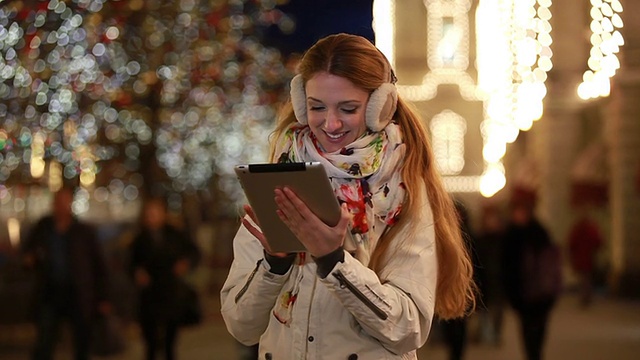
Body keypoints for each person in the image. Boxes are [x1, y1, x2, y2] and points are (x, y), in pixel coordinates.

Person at [220, 33, 476, 359]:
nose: (331, 123)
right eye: (316, 107)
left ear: (379, 107)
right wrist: (274, 264)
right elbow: (241, 327)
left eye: (348, 108)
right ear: (300, 103)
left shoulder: (402, 192)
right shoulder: (278, 179)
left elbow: (408, 329)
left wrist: (333, 262)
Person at [21, 186, 111, 360]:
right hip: (50, 291)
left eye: (64, 202)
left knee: (81, 341)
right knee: (45, 340)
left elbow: (99, 266)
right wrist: (30, 261)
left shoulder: (83, 231)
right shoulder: (44, 228)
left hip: (78, 293)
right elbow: (28, 254)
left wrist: (103, 297)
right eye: (57, 202)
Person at [128, 197, 200, 360]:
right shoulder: (140, 239)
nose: (152, 217)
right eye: (149, 214)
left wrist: (185, 264)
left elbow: (193, 253)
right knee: (151, 344)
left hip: (170, 293)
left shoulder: (174, 235)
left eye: (155, 213)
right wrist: (137, 273)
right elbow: (130, 263)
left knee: (170, 343)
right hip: (149, 295)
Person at [502, 191, 560, 360]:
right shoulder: (511, 235)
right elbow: (506, 267)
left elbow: (551, 262)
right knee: (527, 332)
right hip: (522, 295)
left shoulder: (539, 232)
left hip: (542, 293)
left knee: (539, 332)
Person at [474, 204, 507, 345]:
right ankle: (487, 335)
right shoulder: (480, 239)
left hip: (500, 280)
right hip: (485, 281)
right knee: (485, 310)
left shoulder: (503, 239)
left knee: (498, 310)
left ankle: (496, 334)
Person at [567, 206, 603, 307]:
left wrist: (571, 255)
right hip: (589, 256)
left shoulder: (577, 228)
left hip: (581, 257)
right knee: (587, 277)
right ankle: (586, 296)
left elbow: (571, 243)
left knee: (583, 277)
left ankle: (584, 296)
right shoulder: (591, 228)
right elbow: (598, 241)